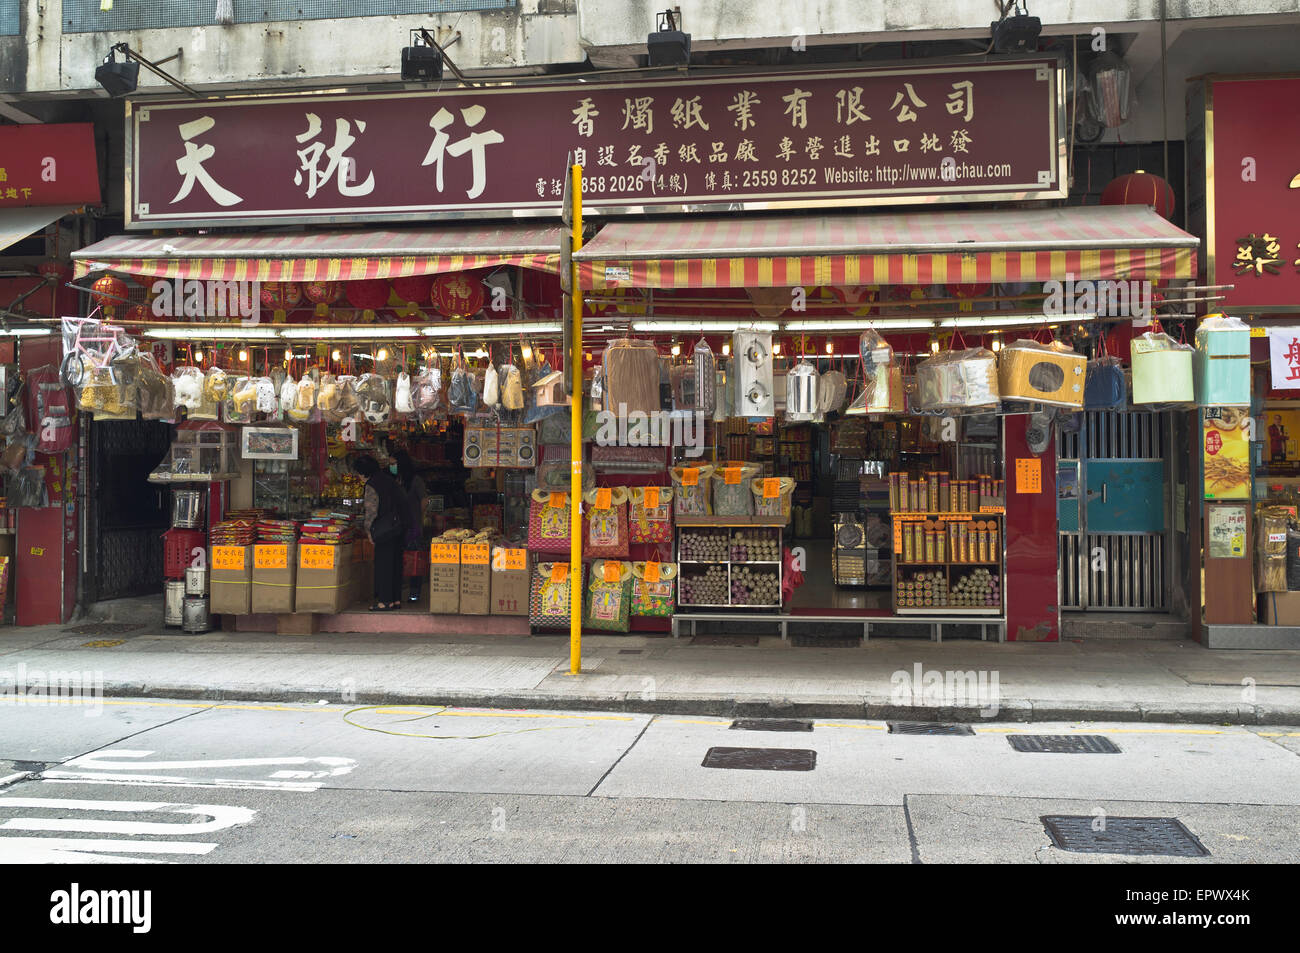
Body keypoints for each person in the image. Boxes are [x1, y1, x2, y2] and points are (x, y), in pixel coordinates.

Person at [352, 455, 408, 611]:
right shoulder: (390, 480)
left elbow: (371, 510)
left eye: (358, 473)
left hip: (383, 530)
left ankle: (384, 601)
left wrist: (368, 530)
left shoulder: (372, 485)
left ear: (363, 472)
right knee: (395, 564)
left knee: (383, 565)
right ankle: (395, 599)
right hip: (397, 527)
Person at [393, 450, 429, 603]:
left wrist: (416, 516)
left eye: (393, 463)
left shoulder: (415, 481)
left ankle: (414, 594)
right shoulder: (395, 480)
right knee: (398, 560)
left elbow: (424, 500)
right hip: (396, 526)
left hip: (413, 527)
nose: (391, 466)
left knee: (414, 560)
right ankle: (396, 593)